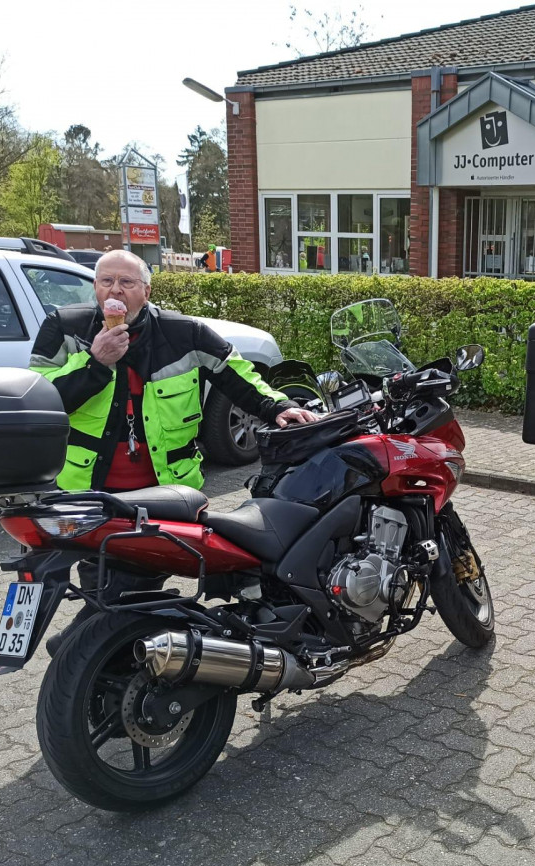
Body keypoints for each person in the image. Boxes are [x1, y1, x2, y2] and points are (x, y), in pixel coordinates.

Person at [30, 248, 321, 653]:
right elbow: (41, 399)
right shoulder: (64, 327)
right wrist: (95, 363)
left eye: (127, 282)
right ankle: (85, 653)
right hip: (89, 490)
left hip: (162, 492)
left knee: (137, 580)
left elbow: (237, 375)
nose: (116, 290)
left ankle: (91, 652)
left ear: (146, 291)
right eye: (106, 281)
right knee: (105, 582)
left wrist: (279, 407)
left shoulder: (184, 333)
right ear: (95, 287)